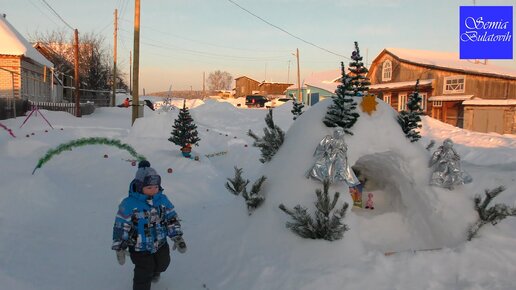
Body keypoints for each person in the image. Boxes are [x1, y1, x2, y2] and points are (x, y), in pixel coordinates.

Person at [112, 160, 187, 290]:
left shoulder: (162, 200)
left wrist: (177, 236)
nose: (153, 190)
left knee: (163, 264)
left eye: (156, 187)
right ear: (140, 187)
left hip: (160, 243)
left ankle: (155, 272)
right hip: (139, 247)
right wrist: (120, 246)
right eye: (149, 187)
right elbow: (121, 225)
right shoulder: (129, 204)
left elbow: (171, 218)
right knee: (143, 272)